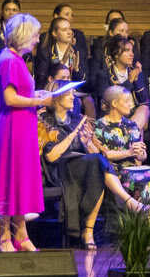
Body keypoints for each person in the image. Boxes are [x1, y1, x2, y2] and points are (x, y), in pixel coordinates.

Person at [0, 12, 57, 253]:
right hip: (12, 128)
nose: (38, 40)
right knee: (10, 179)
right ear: (24, 35)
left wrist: (36, 96)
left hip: (23, 126)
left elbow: (21, 94)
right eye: (36, 35)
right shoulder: (8, 59)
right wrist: (41, 102)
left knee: (21, 180)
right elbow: (9, 98)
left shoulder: (17, 59)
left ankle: (22, 233)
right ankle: (5, 236)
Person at [90, 84, 150, 240]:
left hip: (134, 169)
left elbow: (141, 157)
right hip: (114, 172)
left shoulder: (131, 125)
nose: (132, 105)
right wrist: (128, 152)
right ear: (114, 104)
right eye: (127, 101)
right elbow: (104, 155)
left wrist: (140, 153)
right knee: (146, 183)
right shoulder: (98, 126)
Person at [38, 63, 104, 246]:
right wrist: (74, 134)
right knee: (98, 166)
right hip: (59, 170)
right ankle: (88, 230)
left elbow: (95, 153)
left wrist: (87, 140)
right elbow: (51, 157)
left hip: (81, 165)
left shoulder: (77, 118)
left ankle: (89, 230)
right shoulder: (44, 120)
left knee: (98, 163)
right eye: (68, 94)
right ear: (57, 98)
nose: (73, 97)